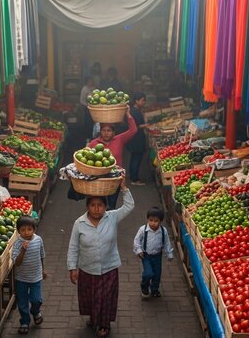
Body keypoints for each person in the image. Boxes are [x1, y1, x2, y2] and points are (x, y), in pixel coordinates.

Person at [67, 181, 134, 338]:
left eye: (100, 205)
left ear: (106, 207)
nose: (96, 209)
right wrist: (72, 268)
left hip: (109, 268)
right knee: (91, 297)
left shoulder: (112, 217)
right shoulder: (79, 223)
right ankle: (93, 317)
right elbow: (73, 247)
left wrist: (123, 188)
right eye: (93, 205)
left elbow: (129, 206)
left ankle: (104, 325)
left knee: (105, 298)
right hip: (87, 269)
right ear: (87, 207)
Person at [88, 109, 137, 209]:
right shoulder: (93, 143)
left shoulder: (119, 139)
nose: (106, 133)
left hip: (115, 179)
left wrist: (127, 113)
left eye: (109, 131)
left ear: (113, 132)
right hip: (99, 179)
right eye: (103, 130)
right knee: (99, 204)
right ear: (100, 131)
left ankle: (109, 223)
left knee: (111, 204)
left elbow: (133, 130)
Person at [12, 216, 46, 335]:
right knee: (22, 302)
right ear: (18, 231)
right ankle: (24, 322)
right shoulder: (17, 244)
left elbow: (41, 255)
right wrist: (23, 250)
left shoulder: (38, 240)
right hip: (21, 278)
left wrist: (43, 269)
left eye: (29, 229)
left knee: (36, 299)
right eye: (23, 230)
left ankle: (35, 311)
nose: (26, 233)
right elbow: (17, 263)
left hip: (36, 277)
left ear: (34, 229)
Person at [133, 207, 174, 298]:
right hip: (146, 256)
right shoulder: (143, 230)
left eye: (156, 221)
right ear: (147, 219)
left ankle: (154, 289)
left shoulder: (163, 231)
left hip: (157, 256)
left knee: (157, 275)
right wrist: (139, 250)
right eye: (151, 220)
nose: (153, 223)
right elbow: (136, 241)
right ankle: (144, 287)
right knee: (148, 273)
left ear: (160, 221)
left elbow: (167, 243)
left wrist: (169, 254)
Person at [127, 92, 149, 185]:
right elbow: (136, 126)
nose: (144, 102)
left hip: (134, 138)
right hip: (136, 139)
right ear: (136, 101)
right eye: (142, 100)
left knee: (134, 158)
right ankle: (135, 179)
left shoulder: (135, 110)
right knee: (136, 158)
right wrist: (147, 125)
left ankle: (133, 176)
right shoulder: (134, 111)